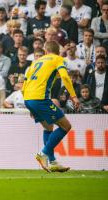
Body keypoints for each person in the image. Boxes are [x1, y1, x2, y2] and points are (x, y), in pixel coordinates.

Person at [22, 41, 80, 172]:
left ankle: (52, 161)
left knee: (48, 127)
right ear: (57, 51)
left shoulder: (35, 62)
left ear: (45, 50)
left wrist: (30, 105)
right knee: (66, 126)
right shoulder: (57, 59)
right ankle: (43, 154)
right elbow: (65, 76)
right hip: (40, 98)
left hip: (28, 98)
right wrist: (74, 96)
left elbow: (25, 83)